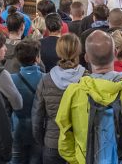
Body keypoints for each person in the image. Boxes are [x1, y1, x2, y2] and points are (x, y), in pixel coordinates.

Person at [56, 30, 122, 162]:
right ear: (115, 53)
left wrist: (78, 160)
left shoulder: (73, 92)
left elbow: (64, 137)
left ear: (87, 57)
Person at [33, 34, 86, 164]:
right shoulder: (87, 79)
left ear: (58, 51)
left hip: (53, 142)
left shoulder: (46, 80)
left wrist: (42, 140)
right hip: (80, 143)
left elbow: (37, 116)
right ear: (78, 50)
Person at [11, 40, 43, 164]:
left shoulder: (11, 79)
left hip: (17, 128)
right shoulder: (46, 79)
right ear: (37, 58)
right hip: (38, 129)